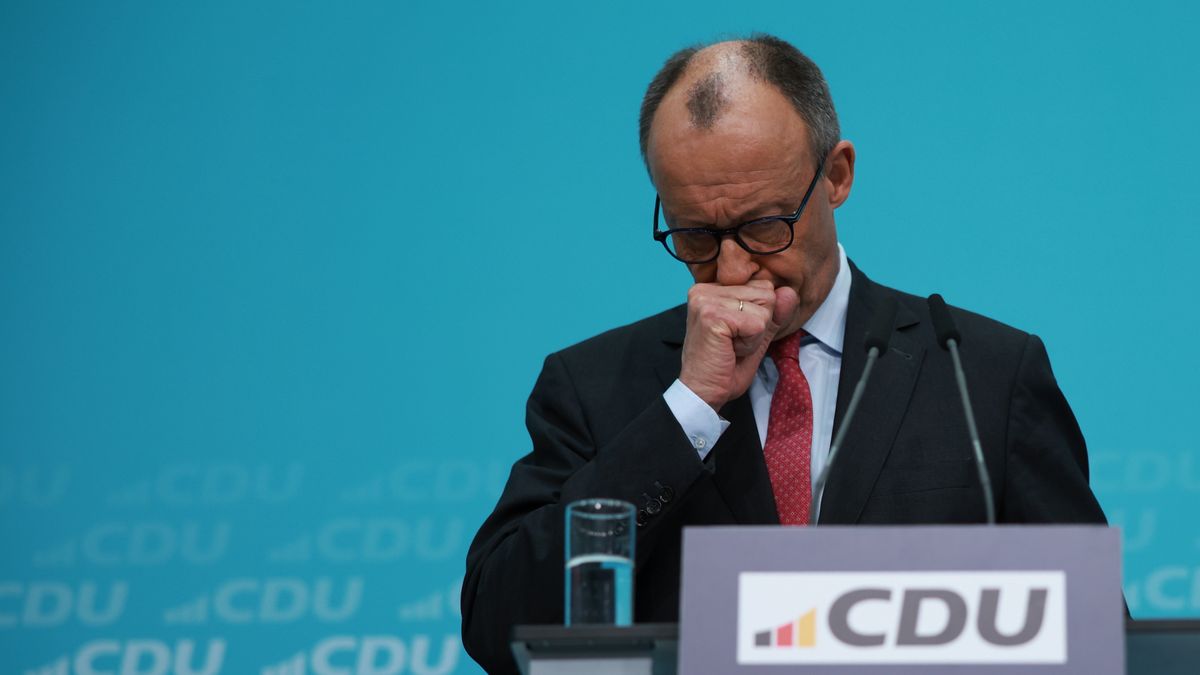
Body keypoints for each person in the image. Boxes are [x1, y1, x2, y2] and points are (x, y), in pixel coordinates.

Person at [461, 34, 1109, 674]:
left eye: (764, 224)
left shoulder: (983, 378)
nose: (735, 265)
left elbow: (1098, 635)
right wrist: (690, 407)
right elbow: (499, 623)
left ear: (836, 175)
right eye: (695, 235)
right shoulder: (595, 385)